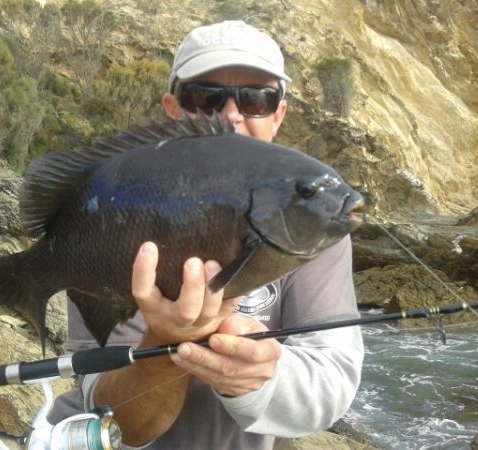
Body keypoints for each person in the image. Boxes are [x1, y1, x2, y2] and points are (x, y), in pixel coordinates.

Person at [48, 20, 364, 450]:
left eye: (256, 98)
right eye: (205, 96)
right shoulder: (116, 201)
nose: (231, 114)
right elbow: (119, 422)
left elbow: (333, 379)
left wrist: (262, 375)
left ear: (279, 114)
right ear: (173, 108)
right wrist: (166, 346)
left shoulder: (314, 228)